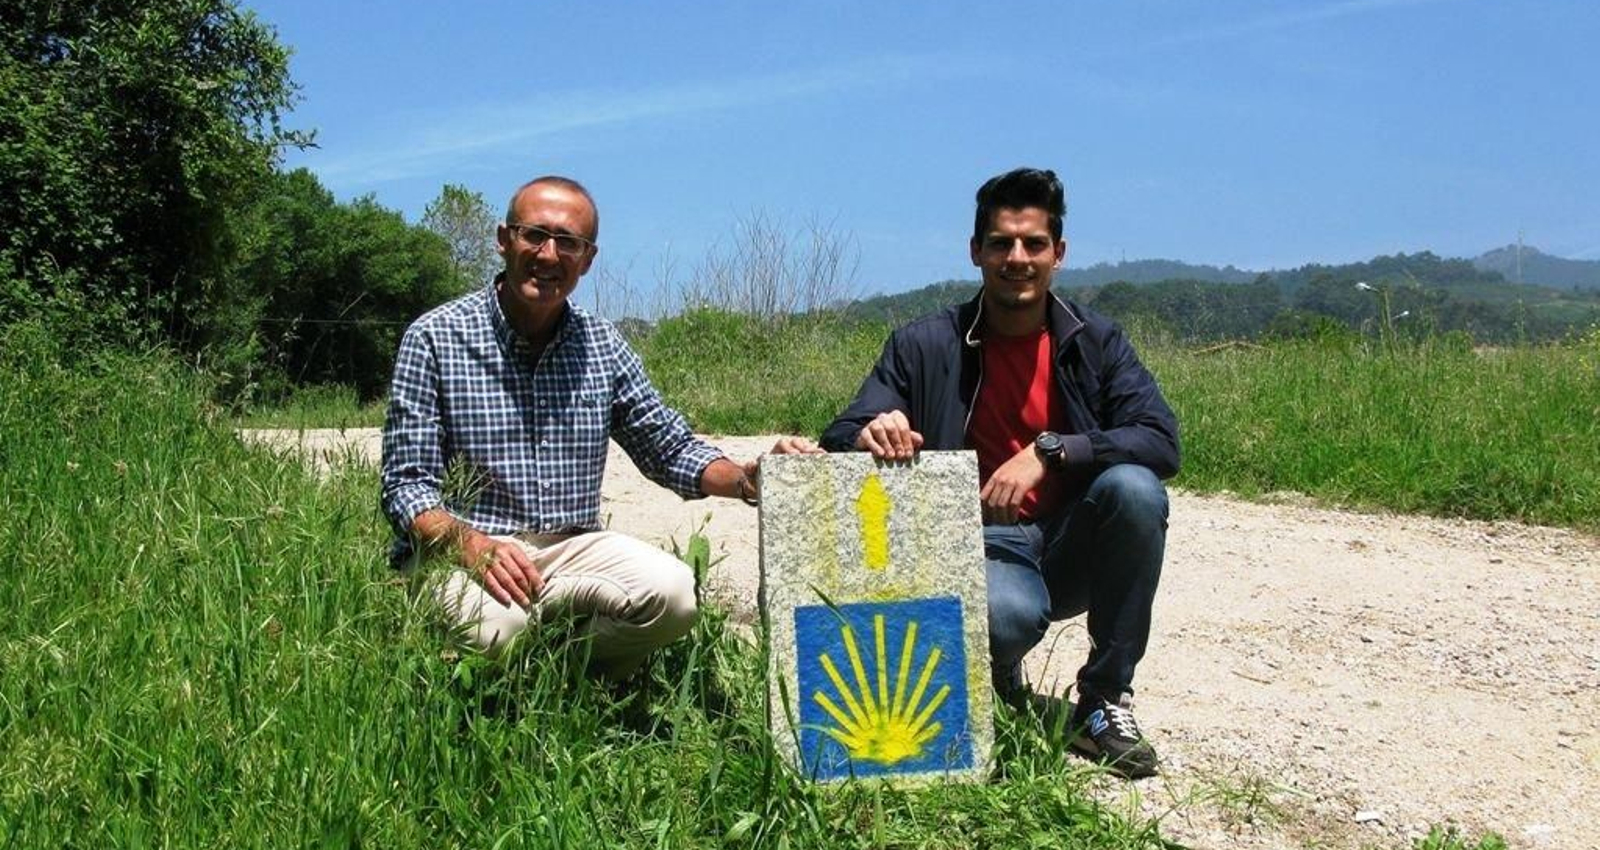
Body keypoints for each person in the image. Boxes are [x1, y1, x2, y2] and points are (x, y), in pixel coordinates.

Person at [819, 167, 1179, 777]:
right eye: (1001, 243)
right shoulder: (924, 344)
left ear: (1058, 254)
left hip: (1070, 539)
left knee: (1136, 491)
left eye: (1033, 243)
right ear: (976, 251)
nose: (1018, 257)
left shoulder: (1095, 342)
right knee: (1005, 618)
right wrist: (868, 431)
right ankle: (997, 662)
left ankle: (1104, 700)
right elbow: (840, 431)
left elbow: (1160, 441)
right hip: (976, 547)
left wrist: (1051, 451)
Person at [381, 175, 814, 679]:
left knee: (675, 597)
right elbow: (406, 488)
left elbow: (668, 448)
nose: (548, 255)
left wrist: (748, 478)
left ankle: (561, 671)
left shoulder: (602, 344)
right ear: (504, 240)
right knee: (496, 636)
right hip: (464, 552)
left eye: (569, 243)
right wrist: (471, 544)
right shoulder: (435, 337)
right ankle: (523, 665)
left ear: (587, 259)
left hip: (571, 547)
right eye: (533, 235)